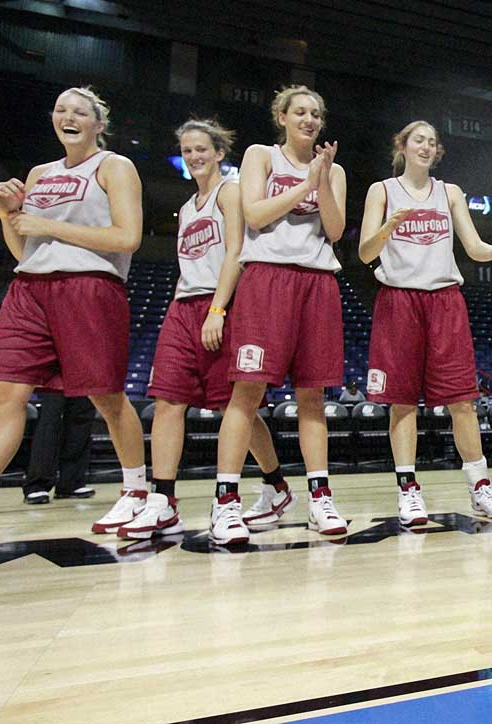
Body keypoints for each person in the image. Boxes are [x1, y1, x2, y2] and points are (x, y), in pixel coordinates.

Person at [0, 87, 147, 553]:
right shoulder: (39, 173)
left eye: (80, 111)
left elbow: (128, 237)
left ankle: (138, 490)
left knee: (106, 397)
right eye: (61, 109)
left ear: (99, 124)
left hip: (90, 286)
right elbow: (26, 247)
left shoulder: (114, 166)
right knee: (4, 392)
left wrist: (48, 225)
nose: (69, 115)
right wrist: (8, 216)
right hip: (29, 288)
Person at [119, 118, 290, 543]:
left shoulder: (229, 192)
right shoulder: (188, 208)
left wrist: (218, 308)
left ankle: (275, 483)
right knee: (167, 402)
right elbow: (187, 266)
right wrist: (180, 308)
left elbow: (236, 251)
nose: (194, 156)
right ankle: (163, 502)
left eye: (201, 149)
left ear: (218, 152)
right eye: (187, 150)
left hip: (224, 303)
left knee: (237, 408)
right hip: (184, 306)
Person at [357, 120, 492, 527]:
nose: (426, 147)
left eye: (432, 142)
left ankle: (480, 487)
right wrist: (389, 227)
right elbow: (364, 253)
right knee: (402, 402)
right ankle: (409, 490)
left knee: (462, 400)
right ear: (403, 146)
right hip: (399, 300)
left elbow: (473, 245)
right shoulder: (381, 190)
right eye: (419, 140)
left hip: (445, 301)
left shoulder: (449, 192)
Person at [210, 85, 348, 545]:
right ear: (283, 118)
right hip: (266, 279)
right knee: (245, 395)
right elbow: (254, 214)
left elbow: (333, 230)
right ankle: (225, 501)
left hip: (317, 283)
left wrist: (322, 181)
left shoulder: (335, 170)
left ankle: (319, 498)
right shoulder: (260, 156)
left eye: (316, 113)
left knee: (312, 399)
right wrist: (306, 184)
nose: (309, 119)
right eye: (301, 112)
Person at [22, 392, 96, 504]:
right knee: (51, 419)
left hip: (86, 375)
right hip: (56, 377)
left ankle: (71, 483)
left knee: (82, 418)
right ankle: (37, 485)